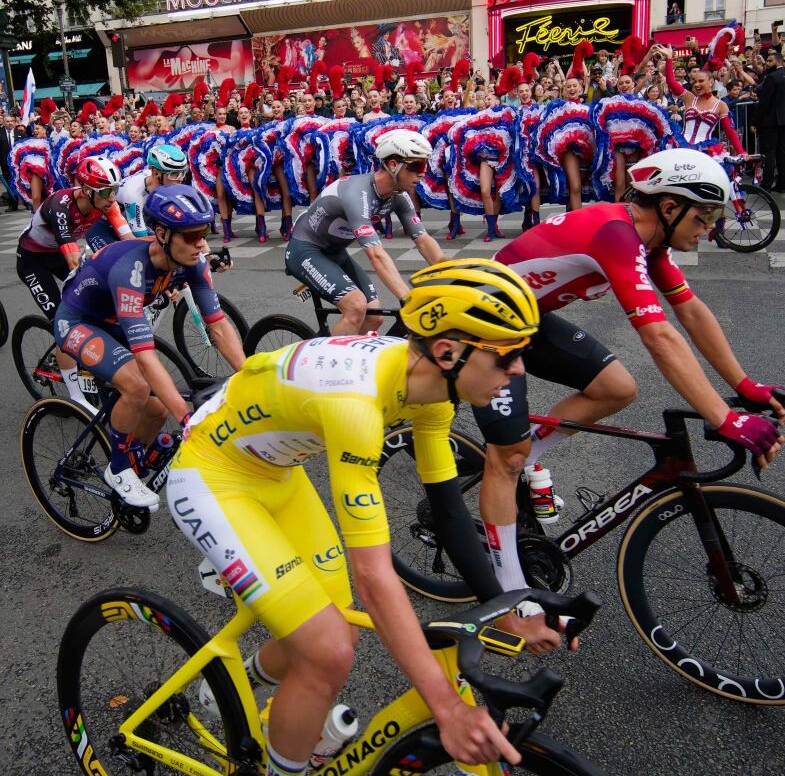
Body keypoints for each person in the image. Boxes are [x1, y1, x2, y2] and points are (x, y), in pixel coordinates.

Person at [167, 260, 567, 776]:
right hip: (211, 474)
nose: (521, 370)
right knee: (327, 648)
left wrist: (517, 606)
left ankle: (229, 689)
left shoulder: (430, 385)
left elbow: (447, 508)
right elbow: (379, 579)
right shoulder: (358, 403)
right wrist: (446, 706)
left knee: (334, 636)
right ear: (448, 349)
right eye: (508, 355)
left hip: (276, 472)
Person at [470, 149, 783, 600]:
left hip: (522, 317)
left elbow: (691, 313)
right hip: (479, 325)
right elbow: (659, 337)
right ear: (670, 208)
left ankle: (529, 453)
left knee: (616, 387)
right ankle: (509, 591)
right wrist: (725, 418)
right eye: (705, 214)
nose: (711, 225)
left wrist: (745, 387)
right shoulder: (617, 234)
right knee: (507, 457)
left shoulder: (650, 241)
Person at [53, 184, 246, 511]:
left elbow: (218, 324)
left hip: (111, 321)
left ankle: (136, 457)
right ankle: (119, 469)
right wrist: (186, 417)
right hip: (77, 321)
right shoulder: (131, 268)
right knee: (137, 385)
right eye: (191, 235)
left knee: (155, 410)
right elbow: (144, 356)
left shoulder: (194, 262)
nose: (201, 243)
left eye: (204, 233)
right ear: (162, 234)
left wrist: (251, 373)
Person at [284, 129, 444, 335]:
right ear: (393, 165)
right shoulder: (357, 194)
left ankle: (355, 362)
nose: (423, 173)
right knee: (356, 306)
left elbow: (423, 240)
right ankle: (329, 362)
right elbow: (376, 255)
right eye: (417, 165)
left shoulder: (399, 196)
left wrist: (449, 272)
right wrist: (408, 297)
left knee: (374, 316)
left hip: (334, 252)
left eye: (426, 165)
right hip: (305, 250)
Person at [16, 157, 133, 410]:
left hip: (57, 255)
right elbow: (72, 261)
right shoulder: (61, 205)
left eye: (115, 190)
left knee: (99, 307)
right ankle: (75, 398)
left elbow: (129, 241)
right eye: (106, 192)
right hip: (34, 262)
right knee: (65, 321)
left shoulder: (106, 204)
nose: (113, 198)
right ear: (88, 191)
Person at [752, 49, 785, 191]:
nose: (766, 64)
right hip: (782, 121)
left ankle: (766, 185)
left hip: (770, 122)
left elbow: (764, 102)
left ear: (778, 61)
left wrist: (754, 121)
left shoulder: (772, 77)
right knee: (782, 153)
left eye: (770, 61)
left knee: (769, 154)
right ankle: (782, 184)